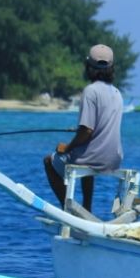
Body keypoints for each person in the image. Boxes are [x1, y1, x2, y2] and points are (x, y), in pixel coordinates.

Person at [43, 44, 125, 212]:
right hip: (114, 158)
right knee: (84, 152)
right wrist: (80, 135)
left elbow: (87, 130)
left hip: (93, 156)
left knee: (49, 161)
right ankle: (87, 207)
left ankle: (69, 210)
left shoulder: (90, 91)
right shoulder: (117, 93)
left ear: (89, 67)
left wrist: (67, 147)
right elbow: (100, 128)